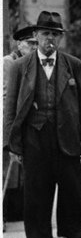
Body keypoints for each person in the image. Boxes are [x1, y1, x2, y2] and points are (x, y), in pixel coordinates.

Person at [3, 11, 81, 238]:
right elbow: (11, 106)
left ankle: (74, 237)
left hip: (68, 137)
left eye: (55, 35)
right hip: (34, 139)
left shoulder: (73, 64)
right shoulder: (21, 67)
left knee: (73, 191)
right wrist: (13, 143)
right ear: (36, 35)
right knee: (37, 193)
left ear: (60, 38)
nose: (50, 39)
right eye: (45, 34)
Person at [3, 24, 38, 226]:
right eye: (29, 43)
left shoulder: (32, 64)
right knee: (5, 171)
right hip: (9, 124)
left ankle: (19, 212)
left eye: (35, 43)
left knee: (24, 173)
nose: (33, 47)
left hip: (27, 126)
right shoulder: (8, 63)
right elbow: (7, 96)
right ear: (19, 44)